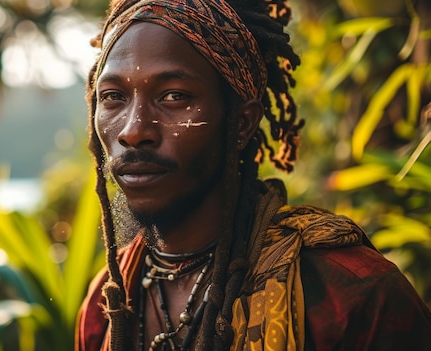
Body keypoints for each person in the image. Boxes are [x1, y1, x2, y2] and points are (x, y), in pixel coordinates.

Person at [75, 0, 431, 350]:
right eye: (113, 97)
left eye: (174, 95)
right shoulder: (104, 304)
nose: (134, 131)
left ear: (241, 122)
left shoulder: (351, 295)